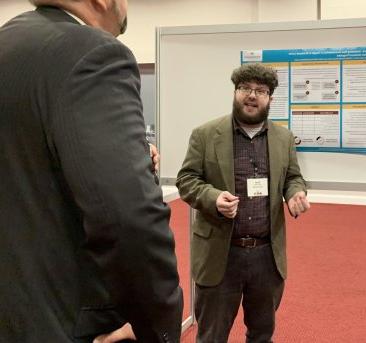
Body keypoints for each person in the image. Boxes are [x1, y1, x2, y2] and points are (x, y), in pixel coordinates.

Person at [0, 1, 183, 342]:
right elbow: (128, 217)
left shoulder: (10, 43)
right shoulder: (95, 54)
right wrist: (154, 327)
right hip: (68, 321)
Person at [176, 63, 310, 342]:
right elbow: (186, 180)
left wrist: (296, 192)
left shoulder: (283, 138)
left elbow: (293, 177)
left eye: (260, 91)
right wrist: (213, 198)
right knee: (211, 335)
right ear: (235, 92)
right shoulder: (205, 134)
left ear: (270, 99)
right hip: (221, 253)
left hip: (266, 254)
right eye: (245, 88)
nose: (252, 95)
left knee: (262, 334)